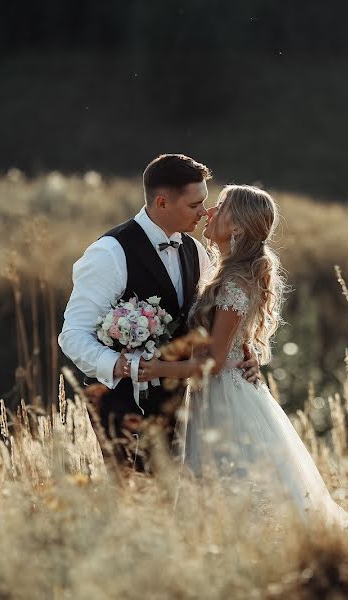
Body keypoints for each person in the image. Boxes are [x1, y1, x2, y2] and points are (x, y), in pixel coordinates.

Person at [138, 185, 348, 528]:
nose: (209, 212)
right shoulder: (222, 269)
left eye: (220, 207)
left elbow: (214, 362)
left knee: (236, 488)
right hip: (219, 391)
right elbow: (234, 338)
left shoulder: (235, 281)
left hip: (226, 397)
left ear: (237, 227)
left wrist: (154, 369)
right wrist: (247, 350)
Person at [58, 154, 260, 469]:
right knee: (134, 500)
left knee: (171, 505)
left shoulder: (195, 251)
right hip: (122, 404)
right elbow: (73, 335)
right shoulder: (109, 253)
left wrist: (244, 354)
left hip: (182, 405)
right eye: (194, 205)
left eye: (205, 202)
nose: (205, 212)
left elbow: (213, 319)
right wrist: (122, 365)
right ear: (162, 202)